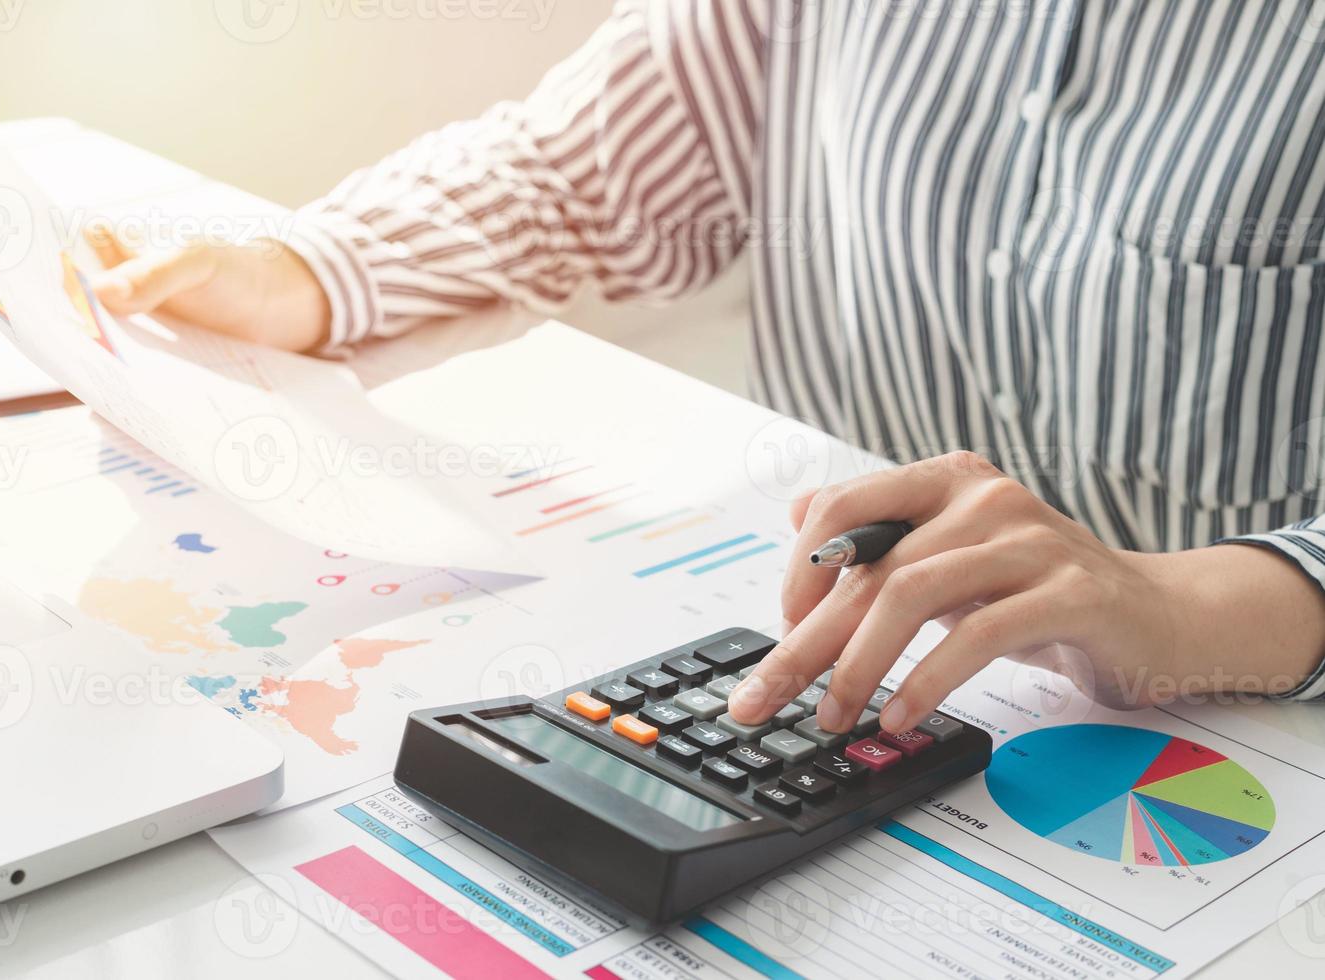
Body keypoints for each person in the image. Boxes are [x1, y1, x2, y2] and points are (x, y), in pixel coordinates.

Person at [92, 0, 1325, 736]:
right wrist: (313, 268)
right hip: (834, 657)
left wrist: (1173, 606)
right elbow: (579, 166)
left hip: (1248, 725)